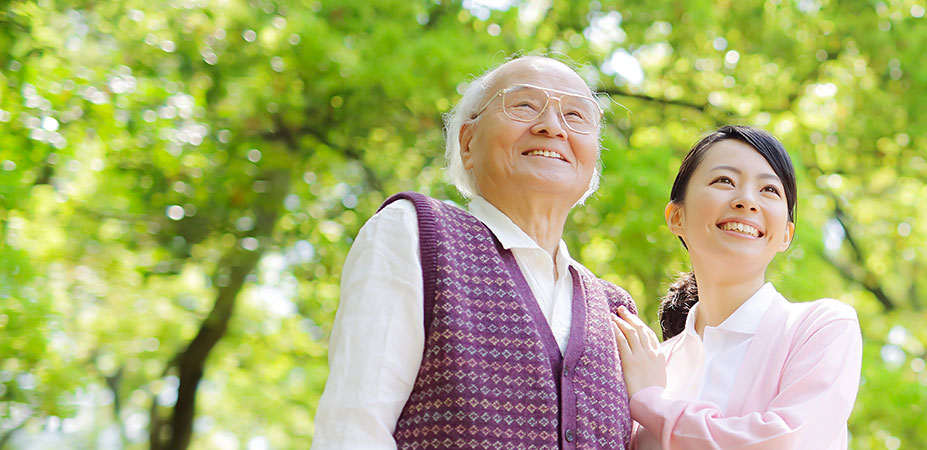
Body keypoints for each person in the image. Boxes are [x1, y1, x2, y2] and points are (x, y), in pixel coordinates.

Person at [313, 55, 638, 449]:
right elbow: (354, 427)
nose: (552, 127)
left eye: (575, 115)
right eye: (524, 105)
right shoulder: (415, 233)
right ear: (468, 142)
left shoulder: (616, 310)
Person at [610, 125, 863, 449]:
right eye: (724, 181)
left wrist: (651, 403)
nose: (746, 200)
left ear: (786, 234)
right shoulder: (651, 362)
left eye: (769, 190)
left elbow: (783, 441)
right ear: (676, 217)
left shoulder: (819, 328)